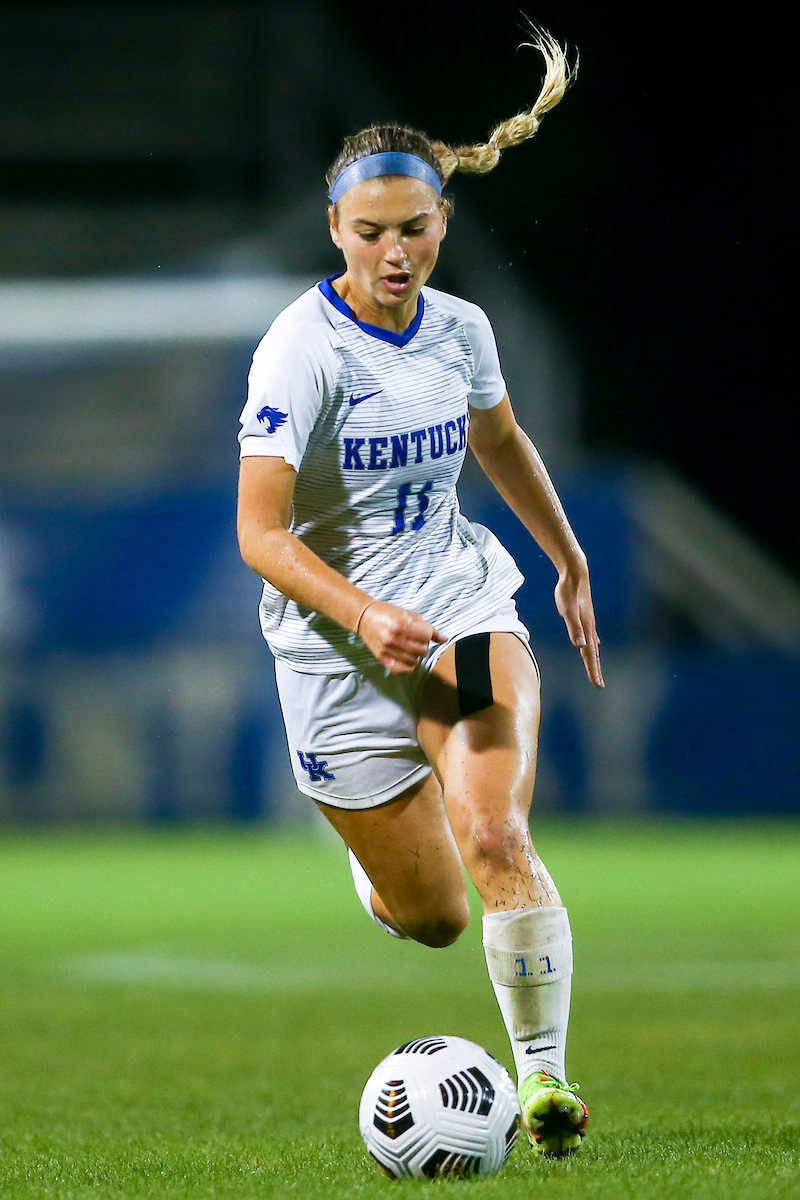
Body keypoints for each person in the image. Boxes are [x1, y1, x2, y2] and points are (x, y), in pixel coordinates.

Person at [237, 27, 602, 1158]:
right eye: (370, 234)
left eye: (414, 231)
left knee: (493, 832)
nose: (394, 255)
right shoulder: (299, 351)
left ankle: (542, 1084)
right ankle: (383, 871)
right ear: (335, 231)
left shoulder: (461, 330)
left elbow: (498, 438)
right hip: (335, 654)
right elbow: (256, 534)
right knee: (433, 917)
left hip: (456, 612)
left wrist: (565, 555)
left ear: (441, 223)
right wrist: (358, 615)